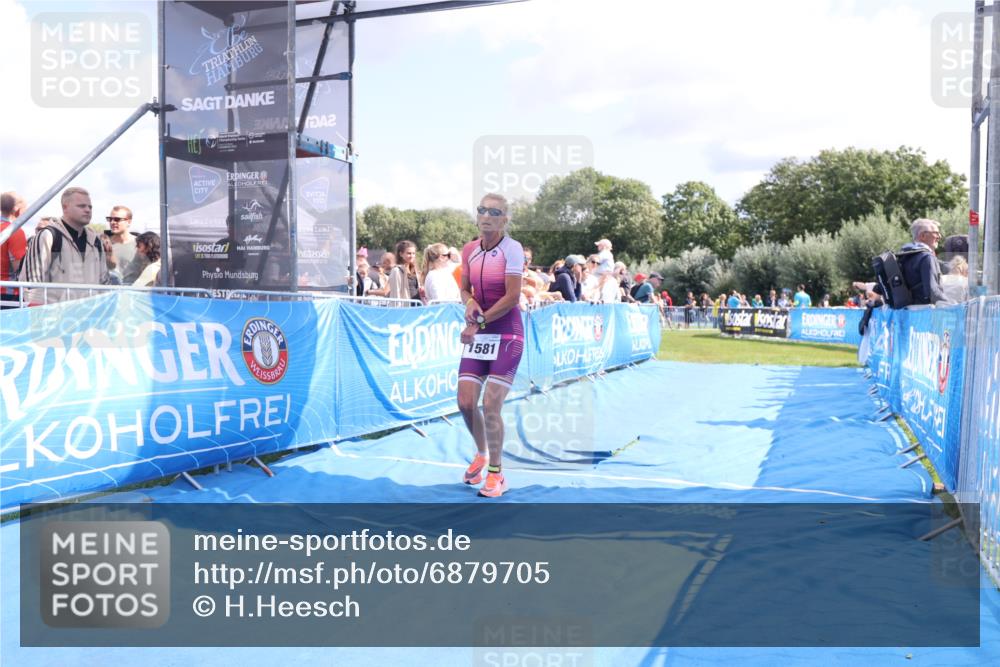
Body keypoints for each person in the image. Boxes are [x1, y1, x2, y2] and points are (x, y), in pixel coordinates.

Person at [457, 193, 524, 498]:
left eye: (494, 212)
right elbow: (464, 287)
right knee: (466, 403)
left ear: (504, 219)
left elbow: (511, 297)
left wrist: (478, 322)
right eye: (481, 209)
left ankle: (497, 474)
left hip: (507, 333)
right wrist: (469, 301)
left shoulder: (512, 249)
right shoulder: (469, 249)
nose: (486, 215)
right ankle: (482, 454)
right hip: (480, 334)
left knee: (491, 405)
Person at [22, 187, 109, 305]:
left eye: (90, 207)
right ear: (65, 207)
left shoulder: (96, 241)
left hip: (90, 316)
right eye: (81, 206)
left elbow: (104, 282)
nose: (88, 210)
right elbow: (32, 283)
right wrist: (39, 317)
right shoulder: (48, 235)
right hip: (55, 316)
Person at [897, 218, 949, 305]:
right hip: (924, 313)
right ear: (923, 236)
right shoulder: (926, 257)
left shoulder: (904, 256)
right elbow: (933, 292)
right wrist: (954, 305)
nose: (939, 236)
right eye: (936, 233)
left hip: (906, 312)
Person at [104, 205, 146, 283]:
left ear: (129, 222)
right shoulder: (103, 244)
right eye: (110, 219)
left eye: (117, 219)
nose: (112, 222)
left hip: (134, 293)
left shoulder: (141, 245)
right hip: (109, 293)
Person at [1, 192, 28, 308]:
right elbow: (20, 267)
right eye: (25, 208)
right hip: (7, 293)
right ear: (16, 209)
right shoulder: (14, 231)